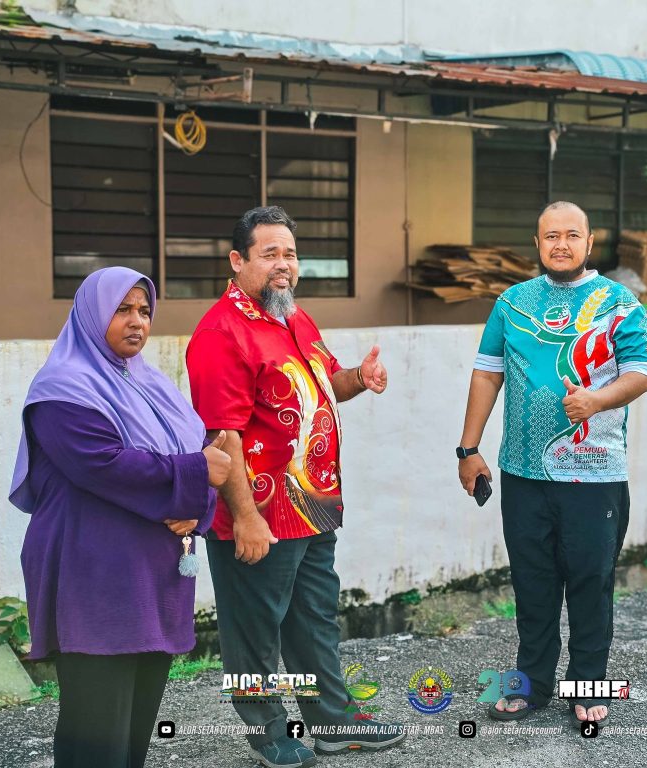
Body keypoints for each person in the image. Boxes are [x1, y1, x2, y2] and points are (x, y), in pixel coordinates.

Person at [186, 206, 404, 768]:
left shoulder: (292, 318)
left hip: (312, 507)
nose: (283, 265)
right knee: (255, 628)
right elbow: (222, 435)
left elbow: (324, 383)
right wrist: (247, 518)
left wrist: (358, 378)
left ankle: (331, 722)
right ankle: (266, 732)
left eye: (290, 254)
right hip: (257, 513)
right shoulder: (220, 332)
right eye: (269, 254)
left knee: (313, 618)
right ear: (238, 262)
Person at [10, 266, 230, 768]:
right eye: (122, 310)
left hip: (154, 577)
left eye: (145, 311)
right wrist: (196, 474)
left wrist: (194, 504)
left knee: (134, 728)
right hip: (95, 573)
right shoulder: (63, 390)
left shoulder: (150, 384)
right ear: (91, 315)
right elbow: (102, 464)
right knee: (97, 728)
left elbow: (202, 454)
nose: (137, 322)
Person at [457, 201, 647, 727]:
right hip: (523, 472)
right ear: (538, 242)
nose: (561, 244)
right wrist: (468, 449)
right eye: (551, 236)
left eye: (572, 235)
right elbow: (486, 375)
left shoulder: (620, 303)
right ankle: (530, 684)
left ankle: (589, 688)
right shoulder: (511, 302)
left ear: (590, 243)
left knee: (591, 581)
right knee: (532, 582)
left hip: (594, 473)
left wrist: (596, 400)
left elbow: (641, 373)